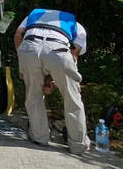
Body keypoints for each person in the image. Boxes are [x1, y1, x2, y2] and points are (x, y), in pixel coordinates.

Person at [15, 9, 90, 154]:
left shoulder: (34, 15)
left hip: (28, 47)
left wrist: (22, 61)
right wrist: (60, 81)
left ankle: (39, 137)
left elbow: (18, 34)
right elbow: (73, 55)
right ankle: (78, 145)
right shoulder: (76, 25)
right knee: (72, 98)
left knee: (33, 96)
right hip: (58, 49)